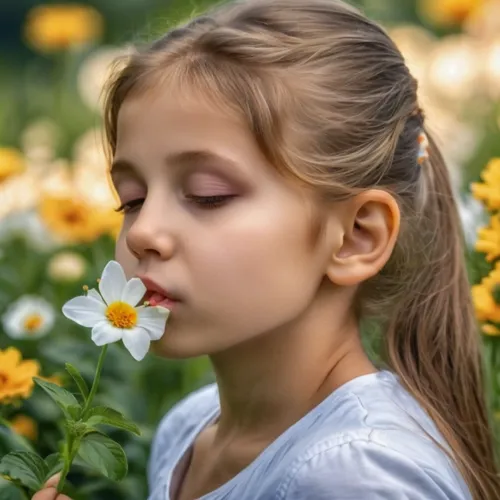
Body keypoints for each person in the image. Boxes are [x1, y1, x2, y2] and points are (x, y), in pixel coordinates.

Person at [33, 0, 500, 499]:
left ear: (357, 237)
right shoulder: (190, 430)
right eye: (131, 199)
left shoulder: (356, 476)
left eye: (208, 195)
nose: (143, 232)